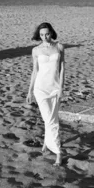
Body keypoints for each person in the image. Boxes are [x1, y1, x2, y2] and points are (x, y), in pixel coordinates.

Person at [26, 22, 65, 166]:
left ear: (51, 33)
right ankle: (58, 152)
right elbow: (35, 71)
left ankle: (47, 144)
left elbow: (62, 69)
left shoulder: (59, 47)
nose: (45, 37)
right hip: (40, 88)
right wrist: (30, 91)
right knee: (49, 120)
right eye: (42, 35)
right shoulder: (35, 50)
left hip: (55, 88)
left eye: (47, 34)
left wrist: (61, 88)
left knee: (52, 118)